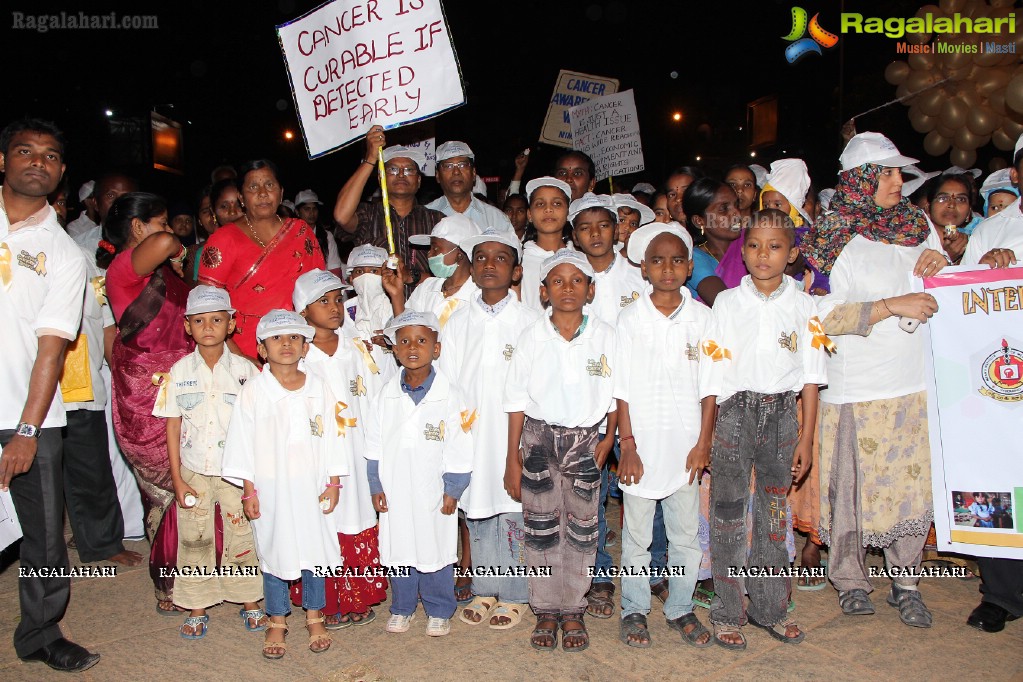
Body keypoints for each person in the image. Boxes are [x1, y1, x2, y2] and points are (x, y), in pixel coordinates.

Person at [804, 131, 949, 629]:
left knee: (910, 488)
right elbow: (819, 315)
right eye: (885, 172)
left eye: (897, 172)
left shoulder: (916, 225)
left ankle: (906, 583)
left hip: (912, 379)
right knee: (852, 490)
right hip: (857, 386)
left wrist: (939, 264)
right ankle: (850, 580)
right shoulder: (834, 234)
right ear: (859, 180)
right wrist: (890, 307)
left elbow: (935, 287)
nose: (896, 181)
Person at [701, 209, 829, 650]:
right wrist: (706, 436)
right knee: (729, 516)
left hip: (781, 416)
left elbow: (811, 377)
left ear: (792, 253)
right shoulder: (728, 303)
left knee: (775, 516)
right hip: (734, 412)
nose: (763, 255)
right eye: (753, 245)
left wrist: (806, 439)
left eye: (775, 247)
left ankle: (770, 608)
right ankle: (727, 611)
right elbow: (713, 375)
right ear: (743, 249)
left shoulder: (804, 305)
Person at [0, 118, 98, 672]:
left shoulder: (65, 254)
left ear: (61, 173)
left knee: (42, 539)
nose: (38, 161)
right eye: (24, 150)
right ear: (3, 159)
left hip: (27, 414)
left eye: (51, 156)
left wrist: (26, 430)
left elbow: (52, 349)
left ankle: (39, 634)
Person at [504, 249, 616, 652]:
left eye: (576, 280)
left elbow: (617, 395)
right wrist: (510, 458)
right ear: (543, 291)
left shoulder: (606, 334)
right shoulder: (532, 336)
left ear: (591, 289)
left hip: (587, 439)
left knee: (584, 527)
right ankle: (547, 607)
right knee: (541, 526)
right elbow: (515, 399)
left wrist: (608, 439)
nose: (567, 288)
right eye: (557, 281)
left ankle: (574, 606)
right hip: (538, 439)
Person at [221, 309, 347, 659]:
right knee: (275, 551)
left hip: (312, 485)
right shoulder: (254, 392)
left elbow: (334, 436)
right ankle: (277, 618)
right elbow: (242, 443)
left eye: (294, 337)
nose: (286, 344)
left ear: (306, 347)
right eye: (277, 338)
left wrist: (334, 481)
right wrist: (249, 490)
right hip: (272, 489)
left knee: (314, 548)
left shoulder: (319, 388)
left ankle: (314, 614)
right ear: (261, 349)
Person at [614, 222, 714, 650]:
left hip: (686, 449)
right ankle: (634, 608)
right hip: (643, 447)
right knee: (637, 537)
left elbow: (711, 387)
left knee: (685, 537)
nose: (667, 268)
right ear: (643, 269)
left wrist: (703, 443)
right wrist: (628, 445)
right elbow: (620, 388)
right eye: (657, 260)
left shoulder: (703, 318)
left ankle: (679, 605)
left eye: (676, 260)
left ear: (689, 267)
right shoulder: (630, 319)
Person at [439, 228, 539, 631]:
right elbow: (447, 383)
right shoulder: (458, 320)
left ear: (516, 272)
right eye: (481, 257)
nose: (490, 265)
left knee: (514, 512)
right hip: (472, 436)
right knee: (478, 512)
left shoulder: (532, 321)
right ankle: (485, 587)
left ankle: (516, 594)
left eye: (501, 258)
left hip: (516, 437)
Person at [153, 286, 263, 639]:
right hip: (194, 470)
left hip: (236, 472)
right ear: (188, 327)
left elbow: (257, 426)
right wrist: (176, 477)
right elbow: (172, 425)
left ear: (231, 324)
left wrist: (252, 480)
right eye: (199, 321)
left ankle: (249, 601)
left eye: (217, 319)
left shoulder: (247, 372)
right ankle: (197, 607)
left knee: (242, 534)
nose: (209, 327)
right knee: (195, 539)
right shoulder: (179, 371)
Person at [292, 269, 392, 628]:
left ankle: (357, 595)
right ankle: (328, 600)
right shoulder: (298, 356)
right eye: (323, 301)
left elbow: (375, 396)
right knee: (324, 521)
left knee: (357, 517)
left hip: (355, 448)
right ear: (303, 311)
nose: (334, 307)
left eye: (338, 299)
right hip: (319, 457)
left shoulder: (355, 349)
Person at [365, 310, 474, 637]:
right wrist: (375, 484)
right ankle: (402, 606)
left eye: (422, 340)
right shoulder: (386, 395)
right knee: (399, 546)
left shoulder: (451, 395)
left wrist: (453, 488)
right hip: (395, 487)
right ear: (395, 350)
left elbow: (461, 445)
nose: (413, 347)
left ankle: (440, 608)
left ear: (436, 349)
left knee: (436, 548)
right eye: (405, 341)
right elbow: (374, 443)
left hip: (433, 489)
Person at [198, 159, 326, 360]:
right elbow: (205, 309)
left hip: (297, 344)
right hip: (243, 350)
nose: (262, 193)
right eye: (253, 187)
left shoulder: (301, 232)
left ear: (281, 193)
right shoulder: (222, 239)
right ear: (241, 197)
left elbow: (320, 295)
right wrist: (239, 359)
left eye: (269, 185)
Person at [334, 127, 444, 287]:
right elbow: (341, 216)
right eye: (393, 169)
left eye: (408, 170)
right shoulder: (368, 215)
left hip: (423, 308)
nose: (401, 174)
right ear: (380, 178)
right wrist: (370, 158)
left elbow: (450, 277)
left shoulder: (437, 220)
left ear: (419, 181)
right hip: (376, 310)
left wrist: (411, 275)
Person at [391, 213, 482, 324]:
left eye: (435, 248)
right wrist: (396, 294)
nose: (429, 254)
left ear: (460, 254)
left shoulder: (479, 295)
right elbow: (407, 328)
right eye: (430, 248)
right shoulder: (427, 288)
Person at [427, 141, 514, 232]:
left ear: (473, 173)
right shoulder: (425, 216)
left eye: (462, 165)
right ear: (437, 175)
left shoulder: (496, 219)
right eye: (448, 166)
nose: (456, 172)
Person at [521, 177, 574, 313]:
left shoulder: (580, 258)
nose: (548, 209)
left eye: (557, 204)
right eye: (540, 204)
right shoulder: (520, 260)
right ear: (529, 215)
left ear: (568, 213)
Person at [683, 178, 740, 306]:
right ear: (699, 221)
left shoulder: (750, 246)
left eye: (736, 205)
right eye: (724, 208)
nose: (736, 213)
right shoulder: (694, 259)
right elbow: (726, 306)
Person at [74, 172, 138, 261]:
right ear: (95, 203)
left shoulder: (150, 244)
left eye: (126, 197)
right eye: (111, 195)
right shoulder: (78, 246)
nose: (118, 202)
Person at [925, 172, 975, 265]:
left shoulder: (976, 245)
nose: (952, 205)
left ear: (969, 212)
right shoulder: (914, 242)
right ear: (928, 208)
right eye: (943, 198)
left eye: (961, 199)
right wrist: (948, 256)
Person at [295, 189, 343, 276]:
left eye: (314, 209)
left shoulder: (326, 236)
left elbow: (334, 268)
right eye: (307, 209)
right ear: (297, 212)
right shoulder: (291, 236)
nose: (311, 213)